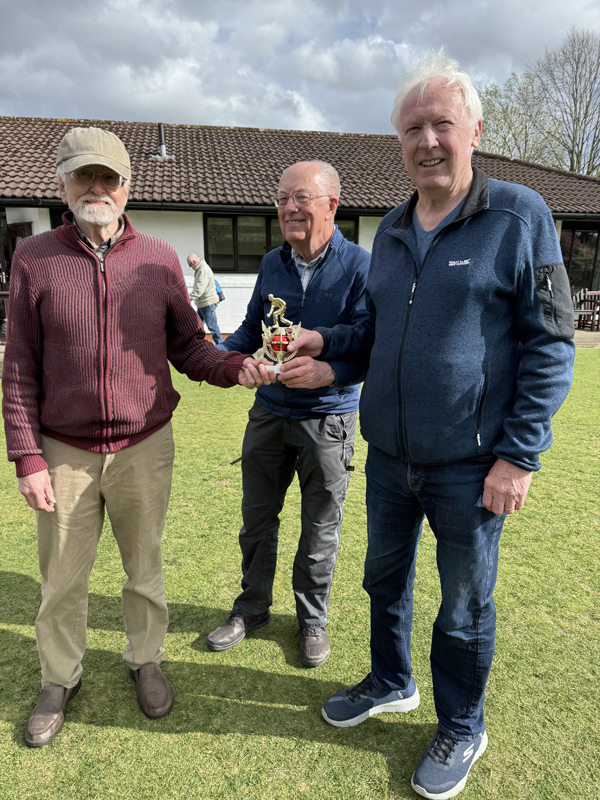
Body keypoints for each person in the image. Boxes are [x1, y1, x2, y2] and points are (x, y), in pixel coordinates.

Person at [286, 53, 575, 798]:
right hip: (388, 458)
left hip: (472, 467)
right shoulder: (390, 228)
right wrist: (328, 348)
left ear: (474, 130)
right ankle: (390, 680)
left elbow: (550, 344)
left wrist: (519, 456)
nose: (427, 141)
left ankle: (461, 724)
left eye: (441, 123)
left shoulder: (519, 216)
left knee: (463, 605)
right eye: (412, 128)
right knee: (383, 581)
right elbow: (375, 332)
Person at [1, 126, 262, 747]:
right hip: (64, 451)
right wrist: (27, 456)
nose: (98, 188)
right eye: (85, 176)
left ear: (127, 188)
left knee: (143, 570)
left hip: (145, 444)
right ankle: (59, 677)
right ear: (61, 184)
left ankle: (145, 658)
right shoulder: (34, 258)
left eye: (110, 178)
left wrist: (236, 365)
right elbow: (19, 365)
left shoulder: (159, 260)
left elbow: (189, 346)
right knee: (62, 578)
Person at [206, 161, 370, 667]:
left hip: (328, 418)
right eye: (282, 198)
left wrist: (329, 369)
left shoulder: (361, 266)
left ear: (332, 206)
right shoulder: (272, 264)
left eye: (301, 197)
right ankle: (251, 607)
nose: (290, 208)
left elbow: (371, 339)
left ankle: (311, 619)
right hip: (269, 413)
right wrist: (231, 360)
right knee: (256, 520)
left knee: (320, 527)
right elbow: (250, 329)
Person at [187, 253, 224, 344]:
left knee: (212, 326)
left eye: (190, 265)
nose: (191, 267)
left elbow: (199, 289)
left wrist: (188, 298)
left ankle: (222, 347)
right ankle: (195, 344)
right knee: (197, 326)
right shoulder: (200, 268)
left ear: (194, 262)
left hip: (207, 303)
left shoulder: (202, 269)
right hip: (203, 303)